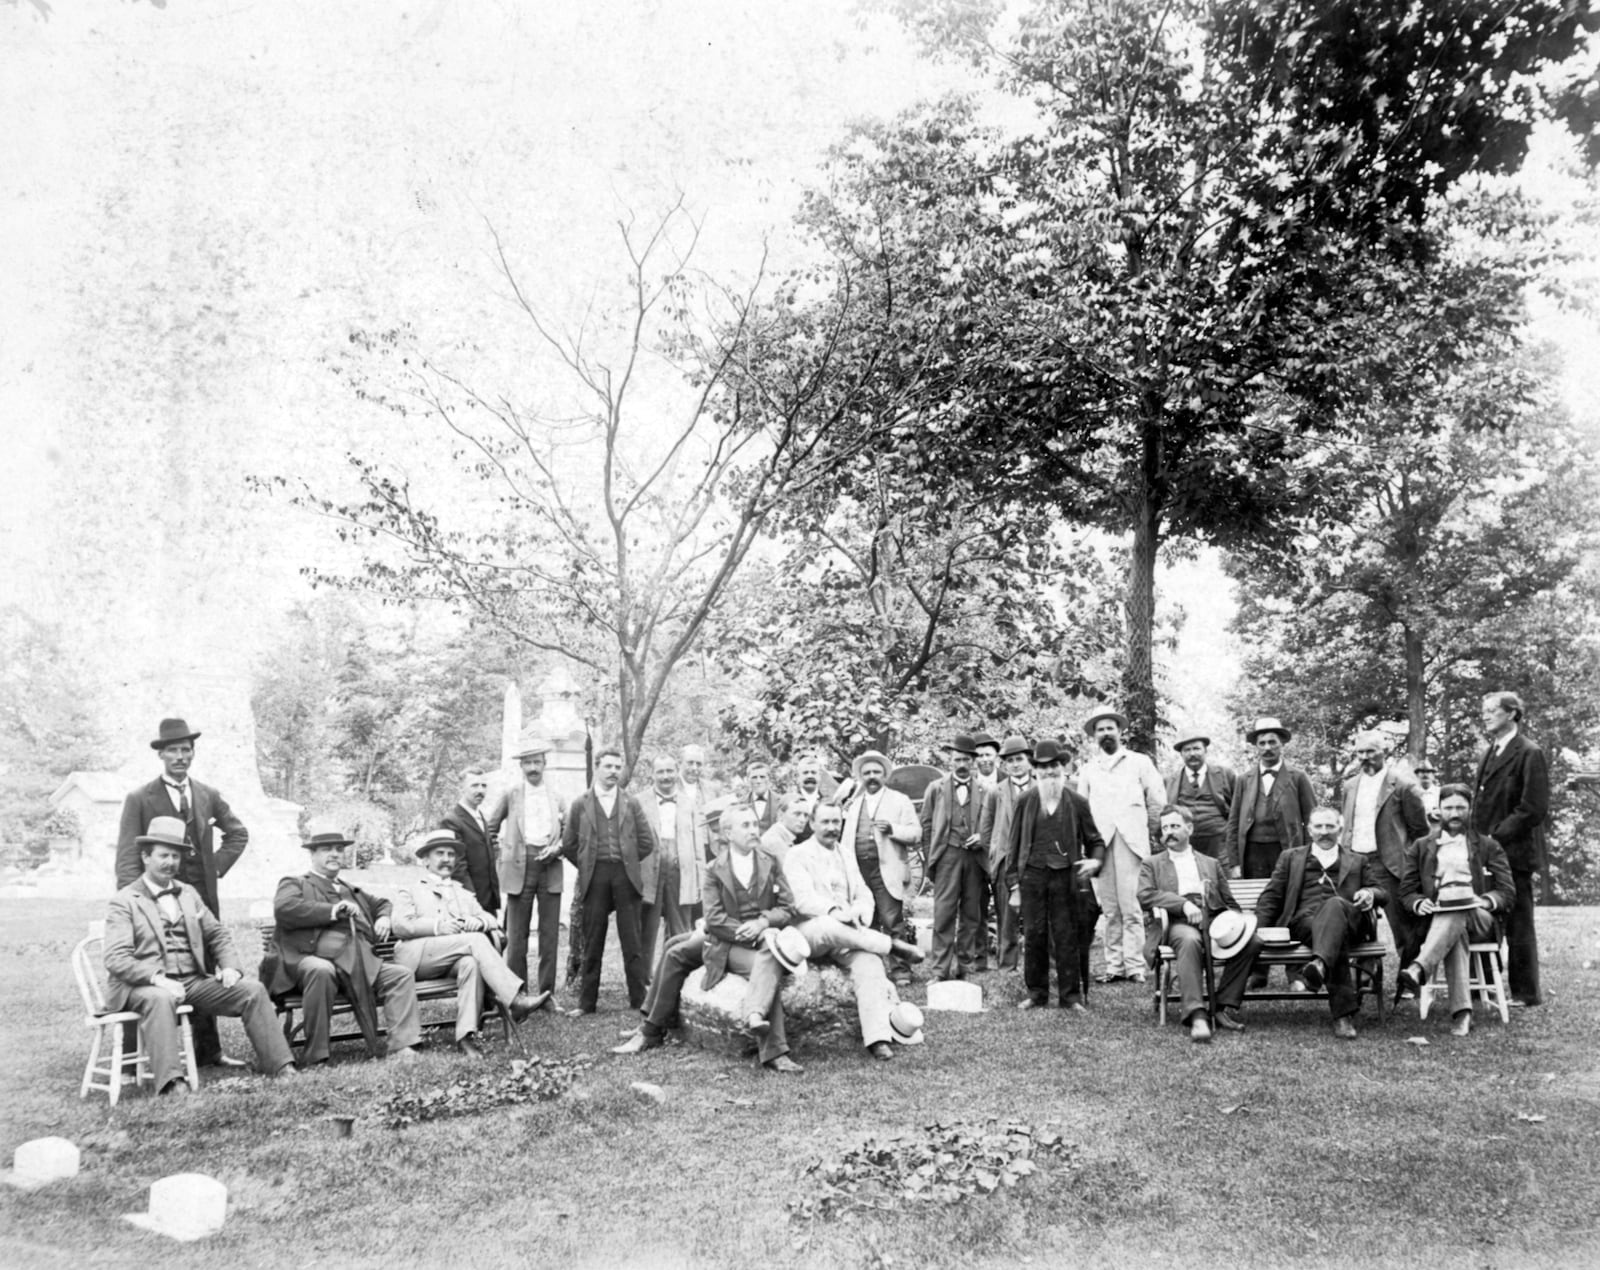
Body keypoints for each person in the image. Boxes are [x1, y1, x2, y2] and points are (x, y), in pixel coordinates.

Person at [105, 817, 296, 1094]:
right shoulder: (124, 901)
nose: (170, 862)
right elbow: (116, 958)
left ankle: (280, 1065)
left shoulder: (188, 893)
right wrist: (158, 979)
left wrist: (230, 967)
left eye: (175, 856)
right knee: (159, 998)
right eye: (163, 855)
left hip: (190, 981)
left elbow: (217, 934)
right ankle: (172, 1082)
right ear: (146, 856)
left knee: (252, 990)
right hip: (142, 987)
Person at [611, 805, 800, 1072]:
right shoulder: (715, 868)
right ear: (728, 833)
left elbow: (788, 907)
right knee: (675, 949)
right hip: (726, 940)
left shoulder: (770, 860)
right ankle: (650, 1027)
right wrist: (742, 931)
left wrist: (762, 922)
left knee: (763, 967)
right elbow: (713, 917)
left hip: (761, 938)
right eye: (745, 826)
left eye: (755, 825)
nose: (753, 831)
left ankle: (774, 1050)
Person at [114, 717, 249, 1068]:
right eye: (172, 750)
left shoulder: (206, 794)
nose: (180, 757)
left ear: (193, 753)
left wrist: (213, 867)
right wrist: (135, 900)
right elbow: (129, 856)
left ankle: (208, 1052)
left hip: (197, 897)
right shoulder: (140, 798)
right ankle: (130, 1059)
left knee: (200, 967)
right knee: (149, 963)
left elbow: (238, 834)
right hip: (152, 895)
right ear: (160, 754)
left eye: (186, 750)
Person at [267, 830, 423, 1064]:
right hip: (307, 957)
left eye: (339, 850)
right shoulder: (295, 883)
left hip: (356, 962)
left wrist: (383, 917)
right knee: (321, 970)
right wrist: (332, 911)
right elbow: (285, 908)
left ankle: (402, 1046)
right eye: (327, 849)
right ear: (312, 854)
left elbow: (382, 903)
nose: (334, 854)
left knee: (399, 975)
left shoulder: (350, 890)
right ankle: (316, 1054)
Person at [785, 801, 926, 1060]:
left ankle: (878, 1038)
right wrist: (835, 912)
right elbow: (801, 900)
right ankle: (891, 945)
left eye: (836, 822)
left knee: (871, 963)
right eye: (825, 822)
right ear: (812, 824)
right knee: (829, 925)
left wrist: (860, 912)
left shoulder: (846, 854)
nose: (831, 828)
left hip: (849, 934)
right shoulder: (797, 855)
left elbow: (864, 893)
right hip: (811, 932)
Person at [390, 830, 550, 1057]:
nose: (446, 859)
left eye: (451, 854)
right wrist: (437, 926)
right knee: (474, 942)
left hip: (451, 959)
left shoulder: (462, 893)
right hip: (417, 959)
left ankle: (465, 1037)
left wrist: (475, 921)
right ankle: (514, 998)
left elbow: (490, 919)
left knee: (470, 964)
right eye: (439, 854)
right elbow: (400, 926)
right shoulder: (411, 890)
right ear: (425, 859)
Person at [1254, 807, 1386, 1039]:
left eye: (1330, 826)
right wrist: (1257, 930)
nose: (1324, 832)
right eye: (1318, 826)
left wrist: (1370, 893)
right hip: (1304, 923)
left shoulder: (1358, 860)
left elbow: (1382, 891)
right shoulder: (1290, 857)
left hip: (1350, 920)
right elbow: (1272, 896)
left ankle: (1320, 965)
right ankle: (1342, 1015)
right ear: (1309, 829)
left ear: (1340, 829)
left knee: (1335, 904)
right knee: (1335, 938)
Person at [1136, 807, 1262, 1042]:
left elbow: (1229, 901)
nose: (1169, 833)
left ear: (1189, 828)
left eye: (1174, 826)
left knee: (1252, 942)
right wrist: (1182, 904)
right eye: (1165, 828)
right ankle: (1197, 1014)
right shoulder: (1151, 864)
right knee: (1190, 940)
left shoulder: (1211, 863)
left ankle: (1221, 1005)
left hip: (1212, 919)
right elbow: (1145, 895)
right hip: (1175, 922)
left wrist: (1234, 922)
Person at [1397, 784, 1515, 1036]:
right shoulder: (1421, 846)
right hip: (1441, 920)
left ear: (1470, 810)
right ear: (1438, 810)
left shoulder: (1487, 846)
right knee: (1454, 921)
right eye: (1448, 807)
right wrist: (1419, 902)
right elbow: (1406, 891)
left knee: (1460, 909)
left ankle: (1419, 966)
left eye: (1461, 808)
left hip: (1480, 918)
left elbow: (1507, 891)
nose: (1454, 813)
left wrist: (1484, 901)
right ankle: (1462, 1014)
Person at [1006, 740, 1105, 1012]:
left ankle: (1070, 996)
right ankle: (1036, 994)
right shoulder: (1025, 801)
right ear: (1036, 771)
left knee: (1067, 935)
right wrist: (1013, 884)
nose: (1049, 773)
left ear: (1063, 769)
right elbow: (1013, 846)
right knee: (1035, 934)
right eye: (1044, 768)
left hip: (1066, 878)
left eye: (1054, 767)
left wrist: (1094, 861)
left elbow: (1096, 840)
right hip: (1033, 876)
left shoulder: (1077, 801)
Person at [561, 746, 656, 1015]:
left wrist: (627, 859)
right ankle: (587, 1004)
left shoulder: (631, 802)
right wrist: (588, 864)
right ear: (597, 768)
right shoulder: (581, 803)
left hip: (626, 876)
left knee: (632, 941)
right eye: (608, 766)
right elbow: (569, 844)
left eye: (618, 767)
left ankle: (639, 1000)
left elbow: (646, 842)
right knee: (593, 941)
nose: (614, 771)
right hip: (596, 877)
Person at [1076, 709, 1164, 985]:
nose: (1106, 733)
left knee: (1132, 906)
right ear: (1094, 736)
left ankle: (1136, 965)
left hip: (1131, 842)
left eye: (1110, 728)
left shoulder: (1139, 762)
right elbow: (1080, 807)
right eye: (1100, 730)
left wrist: (1148, 831)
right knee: (1110, 908)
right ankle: (1114, 965)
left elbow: (1157, 800)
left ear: (1120, 731)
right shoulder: (1089, 769)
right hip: (1101, 845)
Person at [1473, 691, 1549, 1007]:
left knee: (1519, 921)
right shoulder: (1491, 751)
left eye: (1492, 710)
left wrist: (1495, 838)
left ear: (1512, 714)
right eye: (1484, 711)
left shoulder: (1529, 752)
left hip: (1514, 852)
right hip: (1486, 851)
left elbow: (1533, 808)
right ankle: (1484, 986)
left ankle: (1526, 992)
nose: (1485, 716)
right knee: (1484, 915)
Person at [485, 735, 568, 1002]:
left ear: (545, 764)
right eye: (528, 763)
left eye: (537, 762)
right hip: (519, 867)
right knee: (517, 934)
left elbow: (569, 832)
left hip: (550, 866)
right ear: (521, 766)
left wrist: (558, 848)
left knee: (549, 935)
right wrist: (503, 854)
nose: (533, 768)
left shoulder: (556, 796)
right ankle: (518, 993)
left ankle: (546, 995)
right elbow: (490, 828)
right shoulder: (512, 794)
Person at [1339, 730, 1429, 972]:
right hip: (1355, 863)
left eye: (1371, 751)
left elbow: (1420, 831)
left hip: (1389, 864)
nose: (1365, 757)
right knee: (1357, 921)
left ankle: (1409, 978)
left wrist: (1410, 864)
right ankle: (1365, 972)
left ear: (1385, 752)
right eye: (1360, 752)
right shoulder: (1349, 786)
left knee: (1403, 925)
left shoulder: (1403, 785)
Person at [840, 750, 922, 987]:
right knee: (866, 922)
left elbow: (916, 833)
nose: (872, 777)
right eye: (867, 773)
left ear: (884, 775)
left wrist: (893, 829)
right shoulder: (854, 805)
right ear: (861, 777)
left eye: (876, 772)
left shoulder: (900, 800)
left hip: (887, 871)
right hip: (860, 873)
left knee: (892, 921)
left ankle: (901, 971)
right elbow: (846, 840)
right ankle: (872, 970)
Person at [921, 734, 989, 981]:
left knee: (971, 914)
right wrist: (932, 859)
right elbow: (926, 825)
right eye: (957, 759)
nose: (961, 764)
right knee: (944, 913)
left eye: (966, 760)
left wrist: (982, 837)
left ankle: (965, 968)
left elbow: (992, 825)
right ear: (950, 759)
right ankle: (939, 970)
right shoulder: (936, 788)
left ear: (973, 761)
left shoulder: (985, 790)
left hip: (975, 859)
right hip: (947, 855)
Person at [1223, 717, 1318, 882]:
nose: (1267, 747)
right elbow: (1233, 823)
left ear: (1282, 743)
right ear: (1256, 747)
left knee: (1287, 896)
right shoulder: (1244, 779)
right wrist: (1234, 863)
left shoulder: (1298, 777)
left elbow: (1312, 820)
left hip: (1286, 849)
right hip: (1252, 853)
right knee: (1255, 898)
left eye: (1272, 742)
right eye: (1262, 743)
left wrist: (1310, 857)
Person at [636, 754, 701, 967]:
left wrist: (699, 879)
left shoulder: (689, 803)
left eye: (670, 771)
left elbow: (697, 844)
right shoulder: (639, 801)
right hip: (649, 871)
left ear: (677, 772)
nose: (666, 776)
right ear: (652, 774)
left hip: (681, 871)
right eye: (660, 771)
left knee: (681, 928)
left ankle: (677, 976)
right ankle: (644, 982)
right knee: (647, 928)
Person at [976, 734, 1031, 971]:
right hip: (1005, 862)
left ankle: (1037, 966)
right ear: (1004, 764)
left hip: (1034, 862)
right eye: (1010, 761)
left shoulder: (1040, 787)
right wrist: (993, 861)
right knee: (1006, 917)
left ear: (1028, 760)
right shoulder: (996, 792)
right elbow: (986, 832)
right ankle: (1007, 965)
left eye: (1019, 759)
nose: (1015, 764)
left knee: (1036, 917)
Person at [439, 766, 500, 916]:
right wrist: (471, 901)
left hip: (487, 898)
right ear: (461, 789)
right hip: (468, 901)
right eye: (474, 785)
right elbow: (457, 867)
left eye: (483, 785)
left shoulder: (480, 817)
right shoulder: (452, 820)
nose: (480, 790)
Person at [1164, 735, 1236, 860]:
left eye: (1197, 749)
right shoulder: (1170, 780)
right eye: (1187, 750)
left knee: (1221, 875)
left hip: (1219, 842)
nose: (1192, 754)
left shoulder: (1225, 774)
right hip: (1186, 842)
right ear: (1181, 754)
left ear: (1205, 751)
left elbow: (1237, 808)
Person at [761, 792, 814, 862]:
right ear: (780, 815)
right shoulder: (774, 842)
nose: (803, 820)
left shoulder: (783, 837)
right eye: (797, 814)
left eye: (806, 815)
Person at [747, 761, 778, 832]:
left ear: (769, 779)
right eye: (754, 777)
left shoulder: (781, 802)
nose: (758, 781)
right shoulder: (741, 803)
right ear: (748, 780)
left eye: (762, 777)